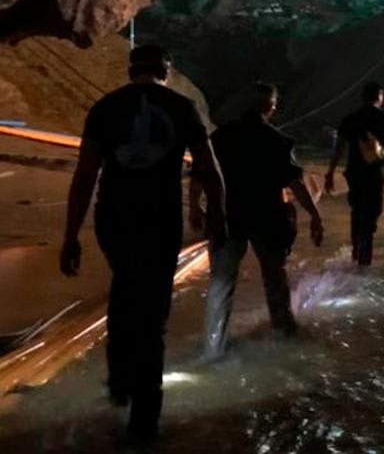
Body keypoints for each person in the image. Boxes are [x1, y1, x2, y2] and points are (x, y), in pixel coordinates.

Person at [60, 45, 226, 444]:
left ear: (131, 70)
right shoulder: (183, 107)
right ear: (165, 70)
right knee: (153, 315)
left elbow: (84, 175)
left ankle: (118, 386)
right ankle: (144, 420)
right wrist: (218, 217)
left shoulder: (105, 107)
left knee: (123, 290)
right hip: (159, 219)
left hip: (113, 218)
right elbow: (208, 167)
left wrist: (70, 236)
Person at [194, 82, 324, 359]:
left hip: (227, 216)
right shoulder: (277, 140)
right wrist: (314, 215)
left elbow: (202, 172)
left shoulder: (221, 136)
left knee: (221, 282)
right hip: (267, 217)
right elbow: (296, 182)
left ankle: (213, 347)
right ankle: (284, 336)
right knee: (274, 277)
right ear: (271, 107)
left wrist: (195, 206)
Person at [325, 82, 384, 267]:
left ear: (363, 96)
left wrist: (330, 173)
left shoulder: (351, 118)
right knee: (373, 211)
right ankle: (364, 259)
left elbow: (339, 148)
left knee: (357, 210)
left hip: (354, 172)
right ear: (379, 96)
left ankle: (356, 250)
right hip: (374, 172)